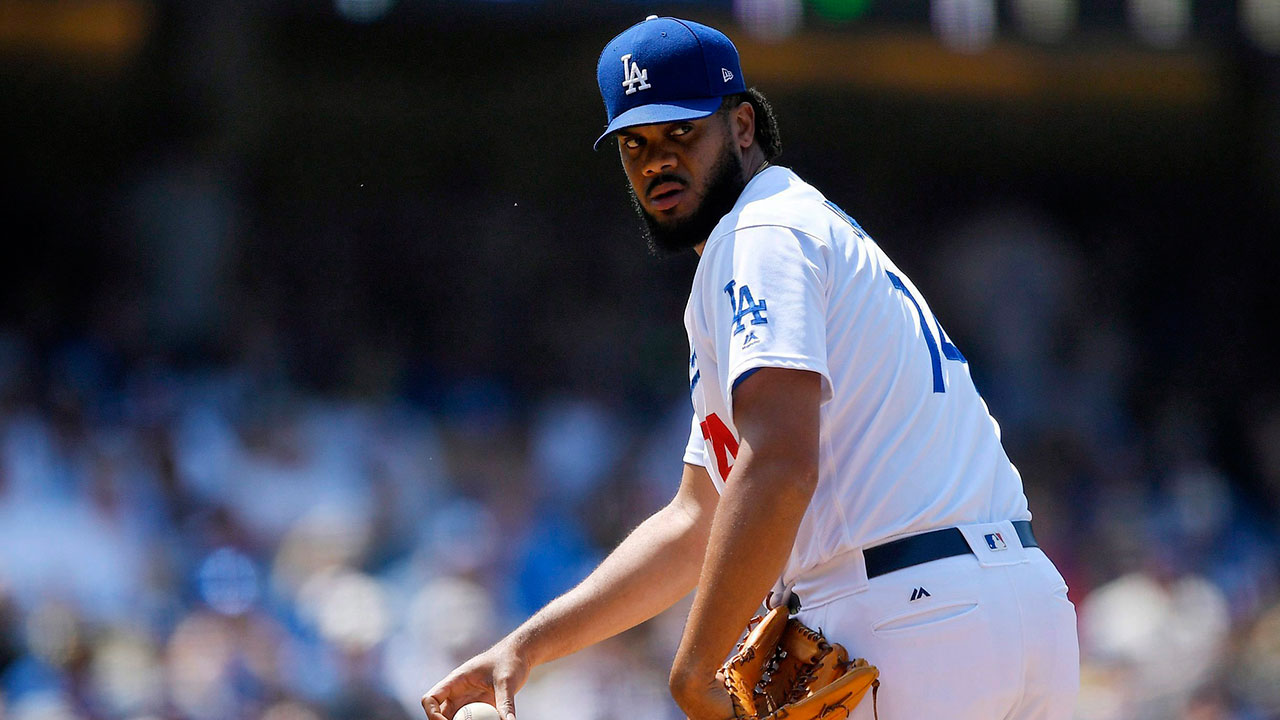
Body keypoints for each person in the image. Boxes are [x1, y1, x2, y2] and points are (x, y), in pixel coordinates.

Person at [423, 16, 1079, 720]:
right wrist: (528, 645)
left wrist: (696, 670)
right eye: (635, 144)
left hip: (911, 618)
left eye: (682, 133)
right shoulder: (799, 226)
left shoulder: (760, 235)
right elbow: (696, 519)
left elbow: (780, 465)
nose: (657, 162)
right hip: (1022, 608)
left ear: (741, 127)